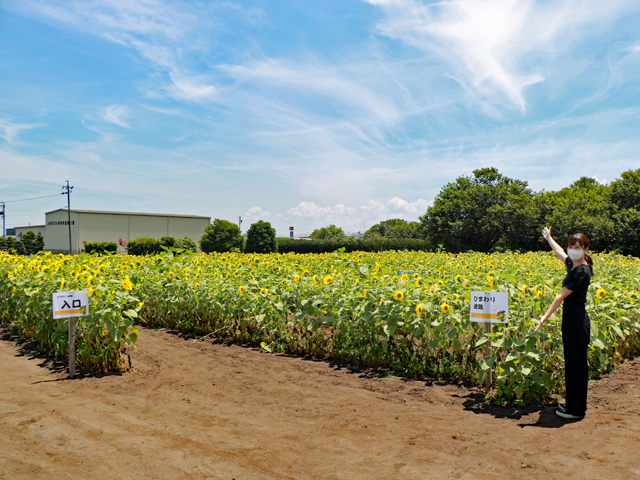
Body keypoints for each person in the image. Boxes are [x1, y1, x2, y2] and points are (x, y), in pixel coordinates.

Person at [535, 227, 593, 419]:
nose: (572, 249)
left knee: (576, 365)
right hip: (573, 319)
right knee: (573, 363)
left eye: (577, 247)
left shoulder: (581, 271)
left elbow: (560, 297)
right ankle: (573, 405)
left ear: (585, 249)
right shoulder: (575, 265)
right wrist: (549, 238)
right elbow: (560, 252)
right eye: (570, 246)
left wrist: (544, 317)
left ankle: (575, 410)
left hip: (576, 321)